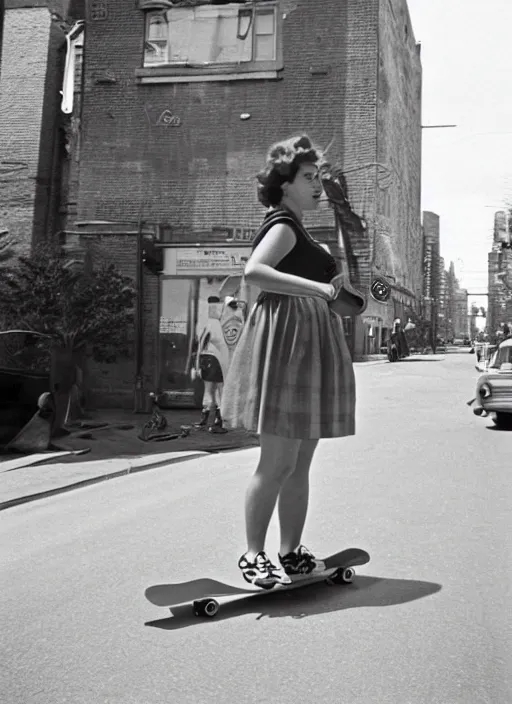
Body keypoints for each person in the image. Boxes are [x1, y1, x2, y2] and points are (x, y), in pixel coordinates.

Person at [221, 135, 356, 589]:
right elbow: (255, 271)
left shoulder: (304, 231)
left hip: (308, 342)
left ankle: (291, 551)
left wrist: (339, 294)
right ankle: (253, 555)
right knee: (277, 462)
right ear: (284, 183)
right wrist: (320, 290)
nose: (318, 185)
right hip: (287, 344)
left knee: (299, 463)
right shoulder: (282, 224)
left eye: (319, 177)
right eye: (308, 177)